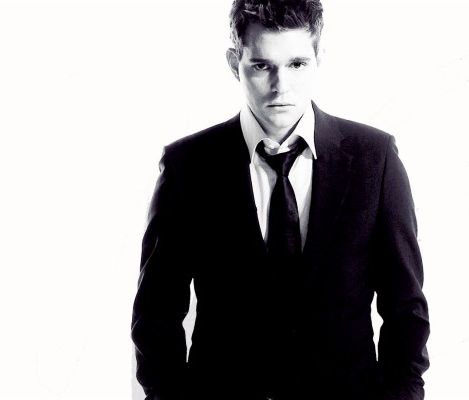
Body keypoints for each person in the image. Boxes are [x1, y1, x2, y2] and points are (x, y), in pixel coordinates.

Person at [131, 0, 430, 399]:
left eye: (297, 64)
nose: (280, 86)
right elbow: (156, 315)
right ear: (234, 62)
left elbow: (406, 310)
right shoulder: (188, 166)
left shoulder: (375, 160)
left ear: (319, 58)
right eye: (261, 65)